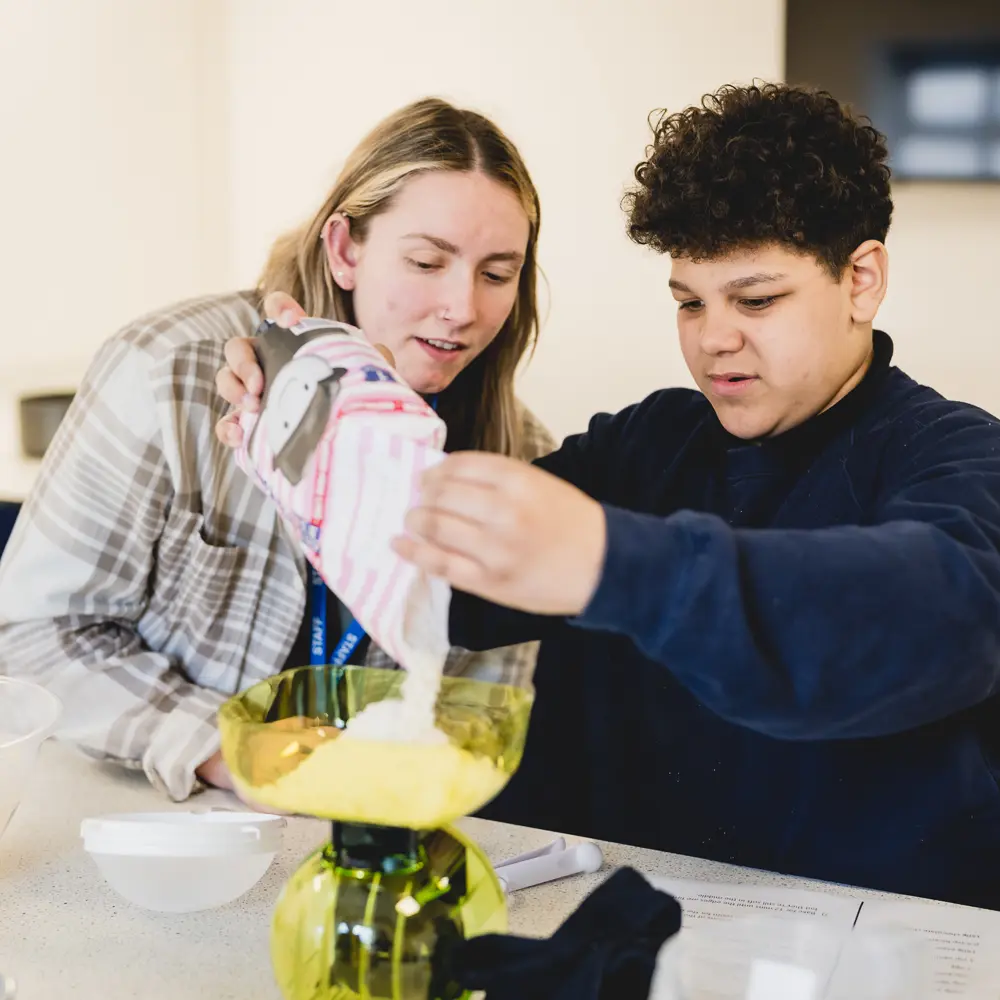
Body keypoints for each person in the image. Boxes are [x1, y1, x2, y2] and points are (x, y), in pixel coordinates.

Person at [223, 83, 1000, 908]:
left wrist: (606, 560)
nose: (714, 338)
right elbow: (449, 587)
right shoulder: (648, 444)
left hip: (874, 947)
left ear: (862, 279)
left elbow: (922, 616)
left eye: (757, 299)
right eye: (688, 302)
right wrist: (323, 424)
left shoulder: (958, 457)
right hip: (623, 929)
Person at [0, 97, 554, 803]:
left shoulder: (520, 458)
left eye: (497, 274)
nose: (463, 307)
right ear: (345, 249)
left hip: (351, 829)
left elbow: (479, 715)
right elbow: (30, 638)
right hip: (138, 824)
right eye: (425, 261)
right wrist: (228, 752)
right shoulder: (168, 372)